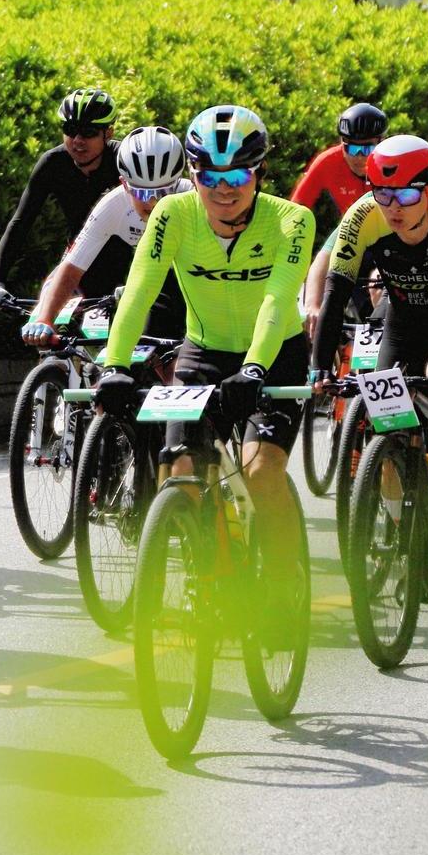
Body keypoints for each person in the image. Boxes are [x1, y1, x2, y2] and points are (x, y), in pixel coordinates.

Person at [94, 105, 314, 644]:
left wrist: (255, 368)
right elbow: (140, 288)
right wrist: (114, 365)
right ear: (192, 174)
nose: (223, 188)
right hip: (203, 352)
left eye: (238, 174)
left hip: (275, 353)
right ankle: (212, 576)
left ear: (260, 173)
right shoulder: (174, 214)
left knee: (260, 472)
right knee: (178, 471)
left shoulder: (292, 220)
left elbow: (277, 299)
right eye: (209, 176)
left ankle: (282, 588)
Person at [313, 135, 428, 520]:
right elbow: (335, 295)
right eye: (382, 194)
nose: (393, 208)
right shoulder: (364, 216)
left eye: (406, 195)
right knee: (386, 423)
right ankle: (401, 528)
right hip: (404, 321)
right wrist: (320, 367)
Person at [20, 126, 189, 347]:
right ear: (125, 184)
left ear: (177, 183)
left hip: (190, 274)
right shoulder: (114, 204)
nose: (153, 202)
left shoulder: (193, 198)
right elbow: (71, 268)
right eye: (142, 192)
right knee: (145, 344)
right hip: (146, 274)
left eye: (163, 192)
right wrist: (45, 319)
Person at [0, 87, 123, 309]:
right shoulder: (53, 163)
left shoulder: (124, 161)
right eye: (70, 130)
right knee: (46, 323)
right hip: (78, 263)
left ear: (109, 133)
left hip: (126, 265)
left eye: (88, 132)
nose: (78, 140)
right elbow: (21, 222)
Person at [291, 102, 387, 228]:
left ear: (382, 142)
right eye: (352, 149)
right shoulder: (327, 162)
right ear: (342, 142)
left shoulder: (396, 160)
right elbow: (296, 209)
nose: (359, 157)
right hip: (354, 230)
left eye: (367, 149)